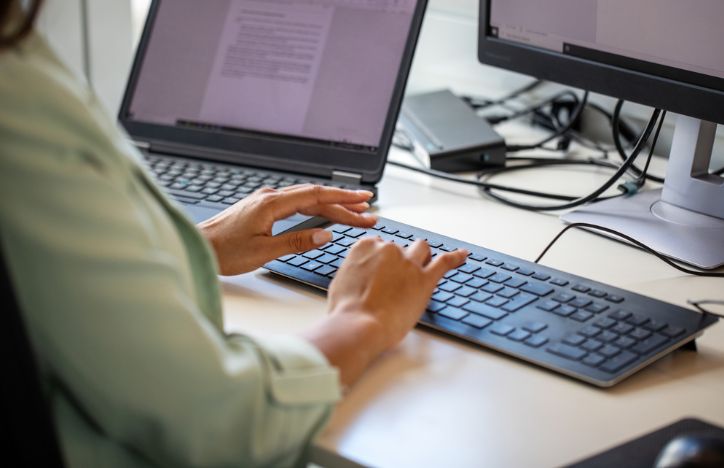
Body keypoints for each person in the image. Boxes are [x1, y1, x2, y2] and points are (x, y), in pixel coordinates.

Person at [0, 1, 468, 467]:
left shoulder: (16, 52)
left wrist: (197, 246)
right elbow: (217, 422)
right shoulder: (16, 107)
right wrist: (362, 320)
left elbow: (41, 272)